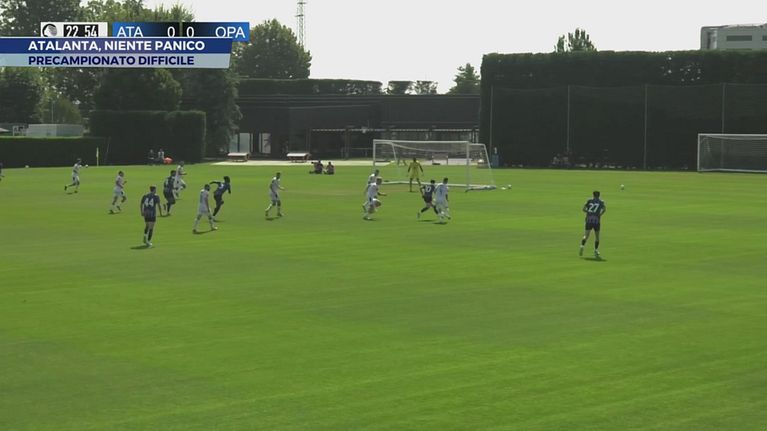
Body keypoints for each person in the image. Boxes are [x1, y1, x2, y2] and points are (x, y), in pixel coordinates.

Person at [579, 190, 607, 257]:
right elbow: (604, 209)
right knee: (597, 237)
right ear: (599, 195)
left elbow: (583, 209)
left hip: (589, 220)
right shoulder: (601, 202)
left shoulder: (589, 201)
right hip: (596, 221)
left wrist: (588, 212)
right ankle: (596, 250)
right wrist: (600, 214)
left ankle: (582, 246)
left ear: (593, 195)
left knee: (586, 235)